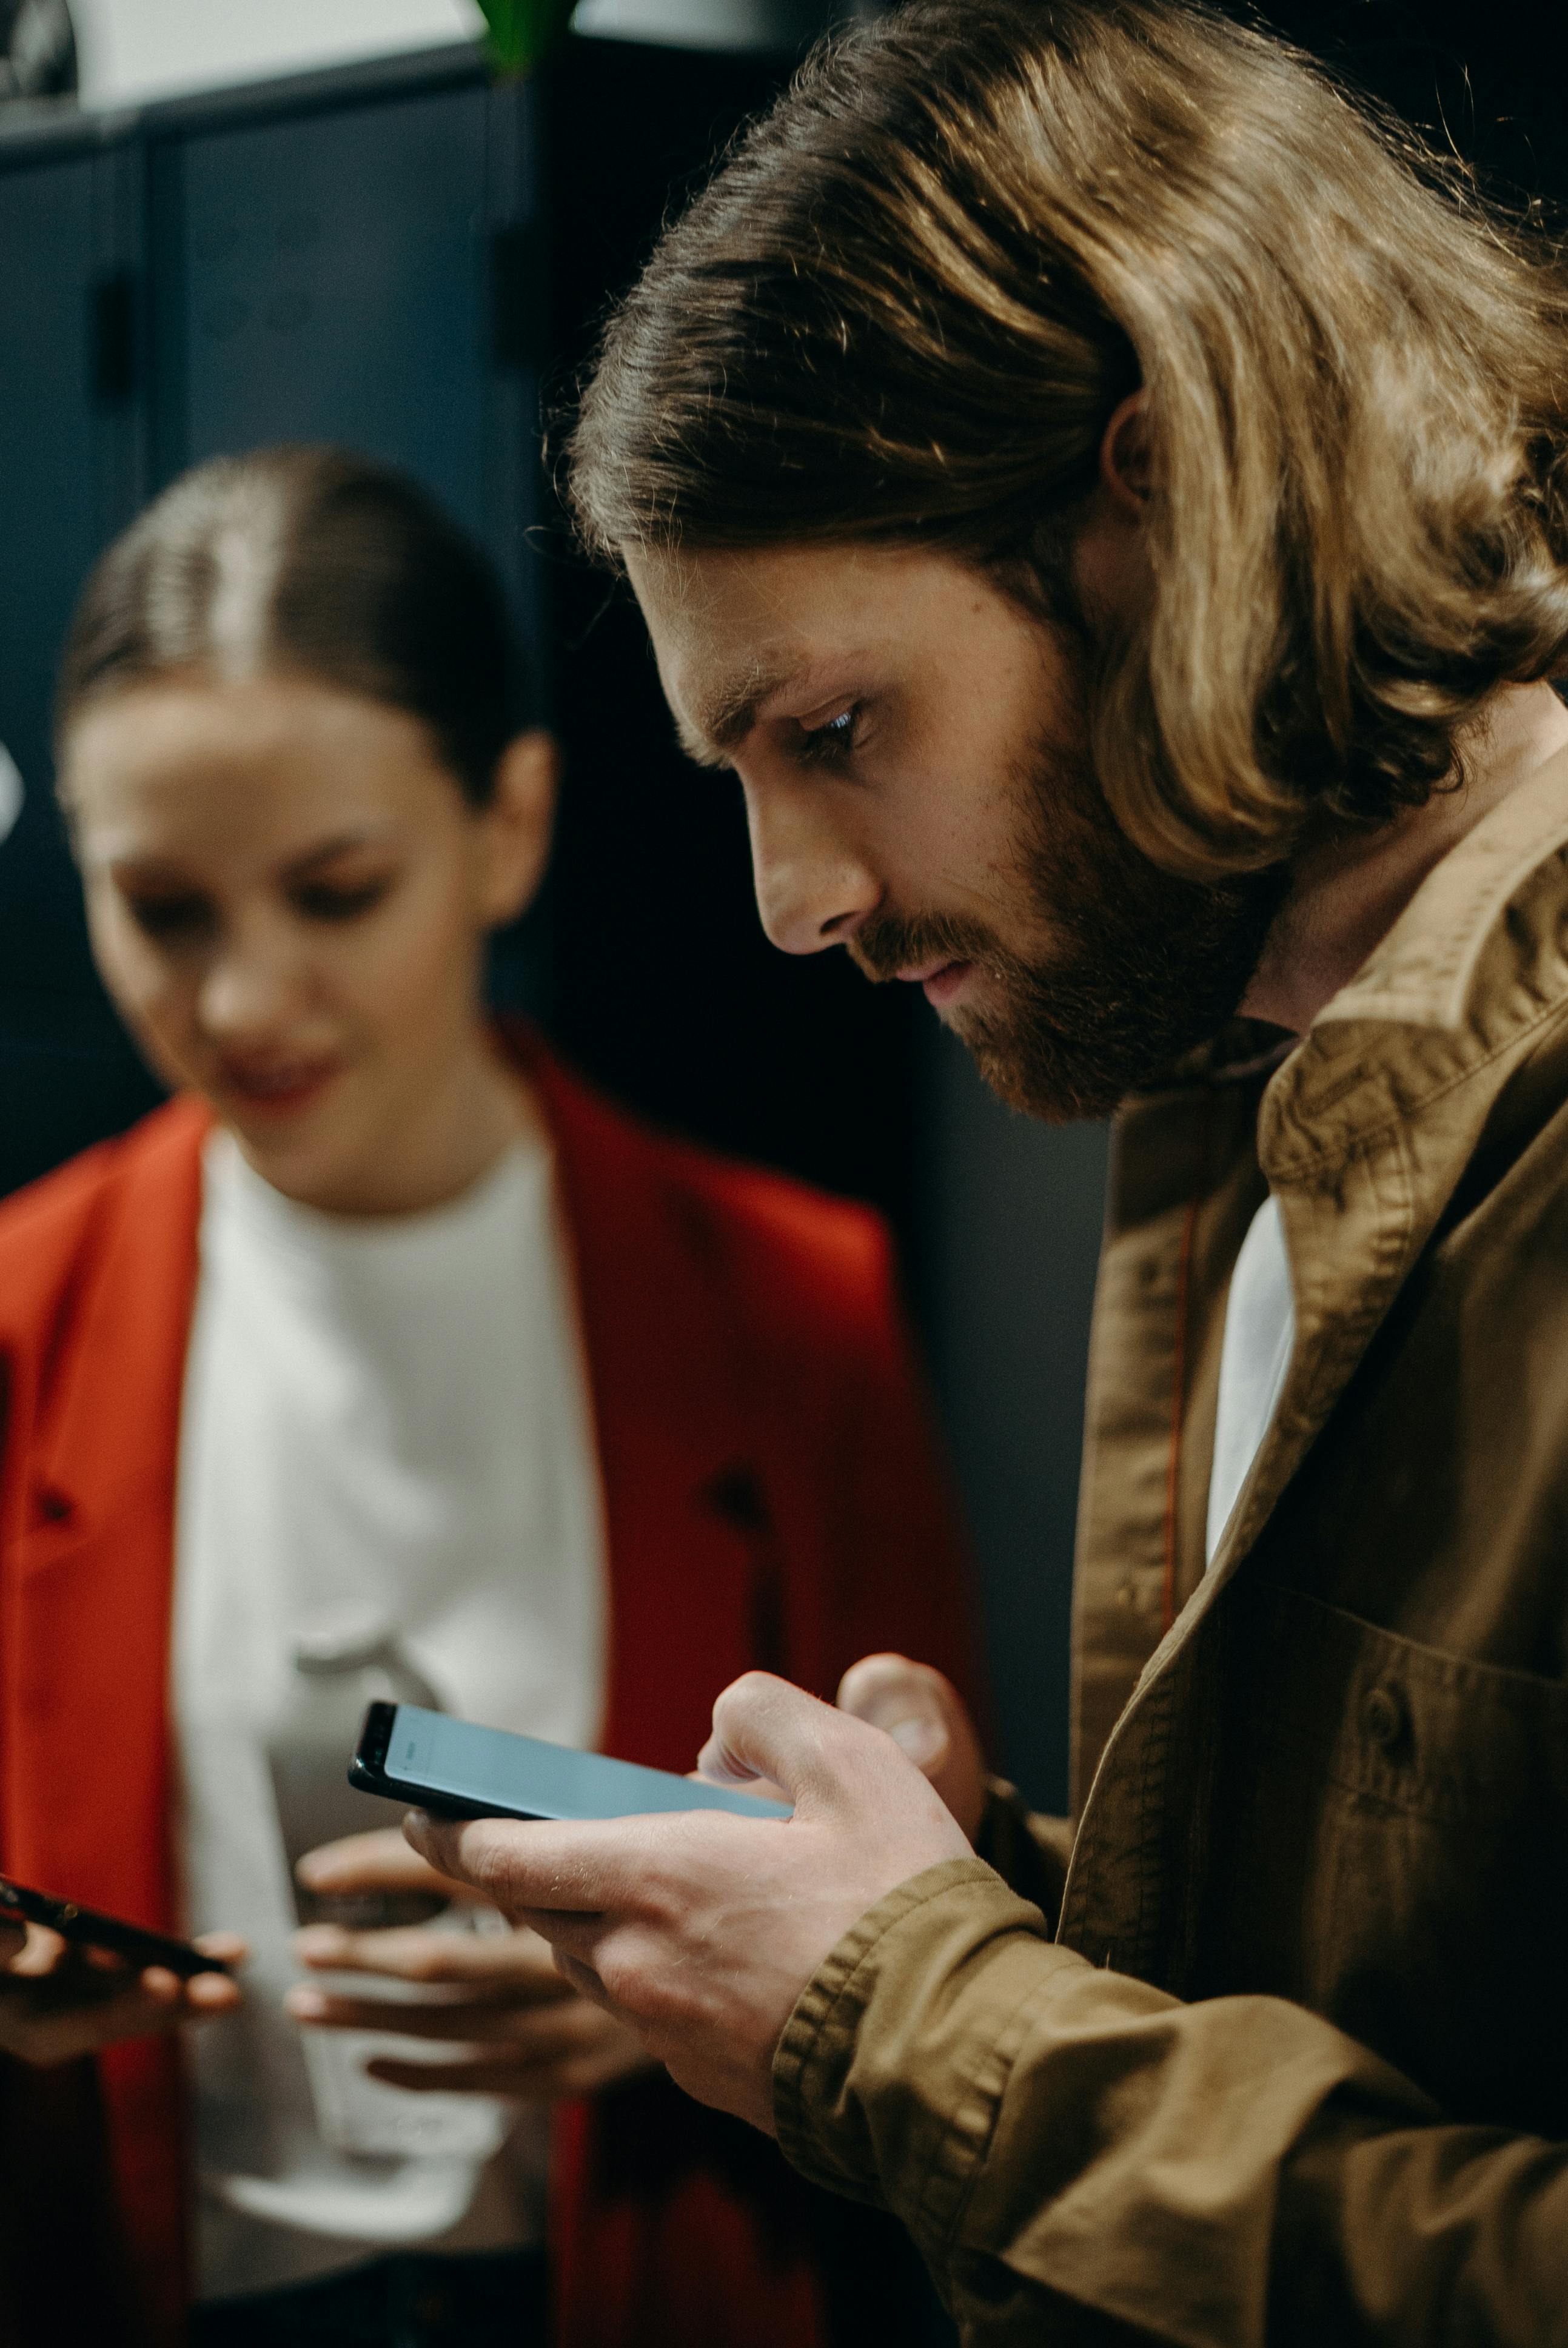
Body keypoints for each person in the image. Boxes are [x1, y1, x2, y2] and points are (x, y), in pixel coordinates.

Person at [408, 4, 1568, 2340]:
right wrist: (950, 1906)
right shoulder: (1250, 1112)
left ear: (1157, 511)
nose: (788, 902)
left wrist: (913, 2016)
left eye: (833, 732)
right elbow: (1395, 2036)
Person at [0, 446, 980, 2347]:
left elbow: (935, 1923)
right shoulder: (22, 1318)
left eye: (335, 891)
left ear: (506, 829)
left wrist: (698, 2001)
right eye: (165, 910)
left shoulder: (788, 1307)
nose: (247, 995)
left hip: (635, 2279)